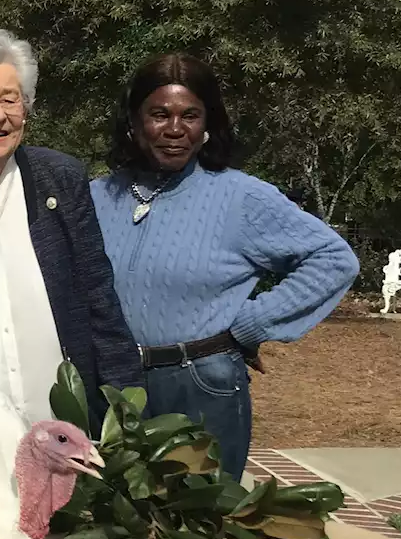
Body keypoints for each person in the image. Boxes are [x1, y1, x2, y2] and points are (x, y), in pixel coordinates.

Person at [91, 53, 359, 479]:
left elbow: (333, 259)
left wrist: (248, 325)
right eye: (159, 114)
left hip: (200, 385)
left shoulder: (241, 197)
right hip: (110, 386)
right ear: (133, 121)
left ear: (207, 123)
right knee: (111, 525)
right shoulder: (97, 197)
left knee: (197, 526)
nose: (175, 129)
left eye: (190, 116)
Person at [0, 29, 141, 426]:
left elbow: (98, 297)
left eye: (10, 99)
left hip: (59, 423)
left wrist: (125, 412)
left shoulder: (61, 178)